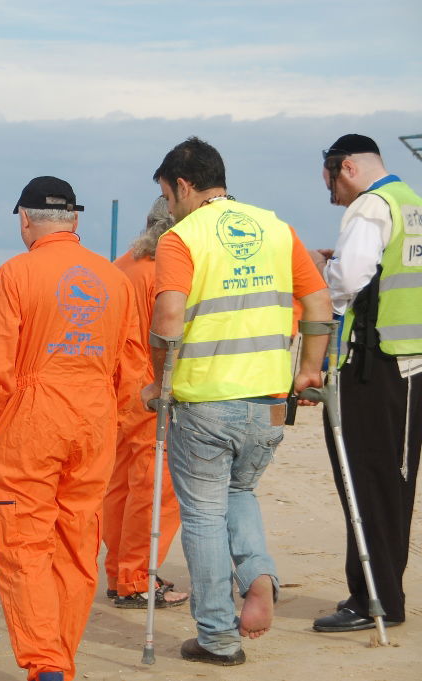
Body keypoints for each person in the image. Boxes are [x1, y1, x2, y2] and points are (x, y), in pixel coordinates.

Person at [141, 137, 331, 666]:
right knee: (240, 492)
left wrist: (159, 382)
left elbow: (169, 321)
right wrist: (310, 368)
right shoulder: (277, 228)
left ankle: (218, 637)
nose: (169, 206)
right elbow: (318, 301)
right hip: (268, 402)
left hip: (205, 400)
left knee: (202, 514)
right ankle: (258, 577)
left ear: (182, 184)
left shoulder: (183, 238)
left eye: (167, 193)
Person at [0, 176, 143, 681]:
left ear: (25, 219)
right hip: (93, 422)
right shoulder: (113, 279)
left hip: (33, 420)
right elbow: (132, 370)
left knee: (24, 544)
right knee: (76, 544)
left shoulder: (15, 274)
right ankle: (59, 658)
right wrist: (113, 422)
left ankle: (46, 664)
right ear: (76, 220)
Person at [309, 134, 422, 633]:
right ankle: (381, 591)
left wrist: (322, 268)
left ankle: (374, 599)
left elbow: (347, 281)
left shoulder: (370, 208)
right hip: (409, 362)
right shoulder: (411, 204)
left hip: (377, 368)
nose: (332, 194)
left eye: (331, 182)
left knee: (367, 483)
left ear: (347, 167)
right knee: (393, 482)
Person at [103, 196, 188, 609]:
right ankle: (137, 577)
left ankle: (121, 573)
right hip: (150, 386)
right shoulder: (166, 271)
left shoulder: (121, 266)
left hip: (113, 388)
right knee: (155, 487)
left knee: (118, 486)